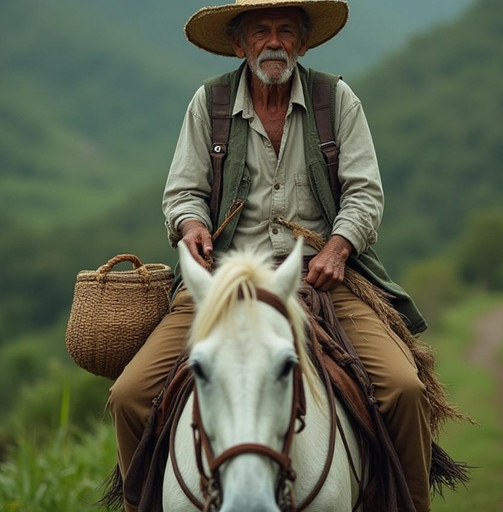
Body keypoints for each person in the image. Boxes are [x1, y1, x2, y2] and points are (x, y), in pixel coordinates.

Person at [108, 1, 432, 510]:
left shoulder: (336, 100)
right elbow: (182, 191)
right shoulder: (209, 103)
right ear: (240, 44)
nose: (274, 42)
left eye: (286, 31)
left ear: (303, 43)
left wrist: (339, 246)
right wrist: (190, 224)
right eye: (261, 31)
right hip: (222, 281)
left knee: (404, 390)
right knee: (129, 397)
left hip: (323, 277)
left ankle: (410, 505)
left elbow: (365, 193)